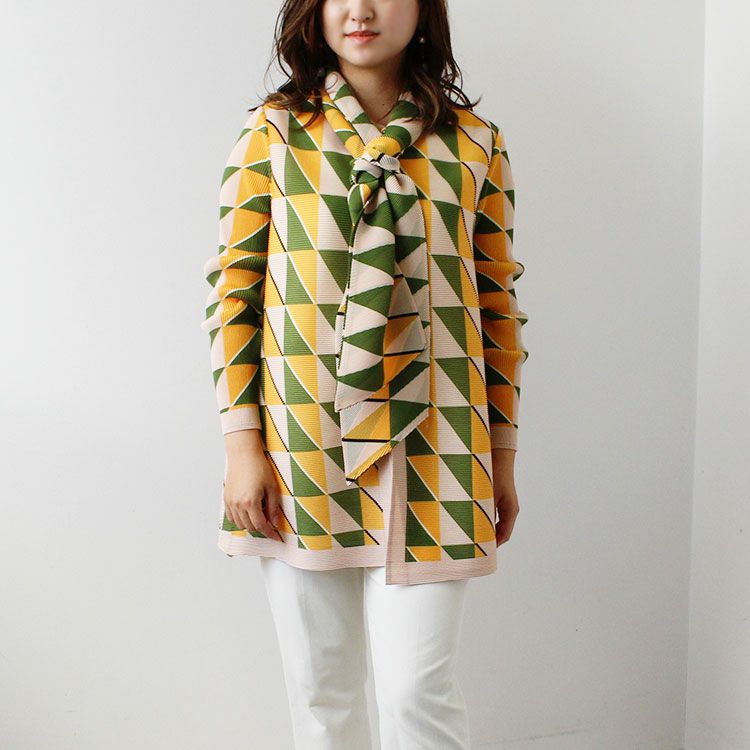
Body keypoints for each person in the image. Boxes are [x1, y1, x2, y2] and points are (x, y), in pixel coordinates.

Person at [201, 0, 530, 747]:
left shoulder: (475, 143)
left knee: (419, 692)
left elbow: (497, 306)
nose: (361, 9)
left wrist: (503, 456)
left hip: (442, 444)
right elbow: (234, 295)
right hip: (301, 445)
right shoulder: (275, 134)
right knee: (322, 694)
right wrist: (241, 447)